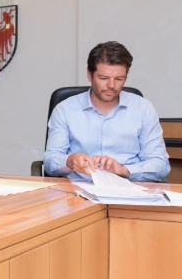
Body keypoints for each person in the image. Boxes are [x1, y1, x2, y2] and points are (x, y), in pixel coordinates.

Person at [43, 42, 169, 181]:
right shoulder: (64, 109)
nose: (111, 85)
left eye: (119, 79)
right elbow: (50, 163)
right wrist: (70, 160)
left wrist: (124, 170)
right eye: (103, 78)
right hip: (78, 188)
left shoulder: (143, 108)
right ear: (90, 75)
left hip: (130, 187)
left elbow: (160, 164)